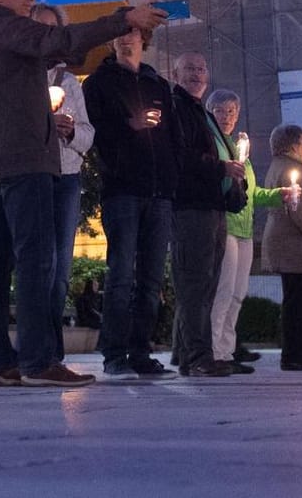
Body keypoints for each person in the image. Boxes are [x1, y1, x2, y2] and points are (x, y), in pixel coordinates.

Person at [0, 0, 164, 388]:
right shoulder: (5, 27)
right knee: (36, 260)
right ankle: (38, 361)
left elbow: (54, 52)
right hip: (23, 160)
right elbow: (62, 40)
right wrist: (124, 17)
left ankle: (1, 362)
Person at [83, 27, 177, 380]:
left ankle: (141, 352)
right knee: (121, 275)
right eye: (120, 34)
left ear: (144, 41)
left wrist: (171, 178)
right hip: (122, 189)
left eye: (133, 34)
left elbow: (173, 137)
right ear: (111, 41)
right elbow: (95, 133)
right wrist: (129, 125)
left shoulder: (157, 85)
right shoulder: (98, 83)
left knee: (151, 279)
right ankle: (114, 355)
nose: (126, 40)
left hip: (159, 191)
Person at [166, 52, 246, 377]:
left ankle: (196, 355)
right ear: (176, 74)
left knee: (208, 286)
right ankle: (197, 356)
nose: (197, 74)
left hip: (212, 208)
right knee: (194, 285)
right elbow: (180, 156)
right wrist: (221, 167)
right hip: (191, 207)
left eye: (201, 69)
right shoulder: (177, 107)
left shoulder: (201, 112)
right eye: (189, 69)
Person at [30, 2, 94, 363]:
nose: (45, 36)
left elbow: (87, 132)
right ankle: (32, 349)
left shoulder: (67, 81)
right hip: (28, 174)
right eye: (37, 28)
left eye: (51, 30)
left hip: (65, 176)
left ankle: (51, 350)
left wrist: (69, 132)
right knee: (33, 264)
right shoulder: (15, 72)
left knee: (60, 269)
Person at [206, 89, 282, 373]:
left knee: (238, 293)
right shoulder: (214, 145)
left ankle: (227, 351)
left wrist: (278, 194)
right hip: (224, 224)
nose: (227, 117)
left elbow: (251, 193)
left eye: (232, 111)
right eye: (221, 111)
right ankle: (213, 351)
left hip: (245, 229)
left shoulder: (242, 152)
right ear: (210, 113)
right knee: (223, 292)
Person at [260, 125, 302, 371]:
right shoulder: (292, 168)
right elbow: (298, 209)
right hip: (298, 244)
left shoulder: (278, 165)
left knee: (297, 299)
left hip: (291, 243)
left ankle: (296, 354)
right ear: (294, 145)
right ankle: (297, 355)